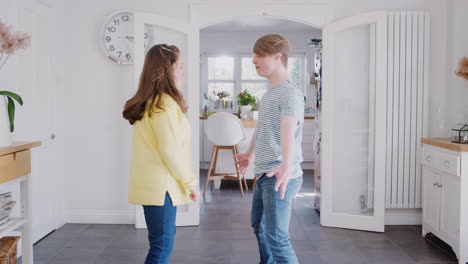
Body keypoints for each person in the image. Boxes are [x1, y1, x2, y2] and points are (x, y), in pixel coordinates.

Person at [122, 44, 199, 264]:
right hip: (161, 186)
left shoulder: (155, 102)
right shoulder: (164, 104)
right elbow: (171, 151)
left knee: (161, 243)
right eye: (180, 66)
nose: (184, 71)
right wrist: (191, 183)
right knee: (161, 246)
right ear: (167, 68)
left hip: (154, 185)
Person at [235, 34, 304, 264]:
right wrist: (249, 155)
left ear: (277, 56)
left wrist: (285, 166)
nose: (254, 60)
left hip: (279, 174)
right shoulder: (271, 92)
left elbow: (288, 132)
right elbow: (263, 128)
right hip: (265, 172)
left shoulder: (289, 92)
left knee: (277, 236)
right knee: (260, 226)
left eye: (260, 55)